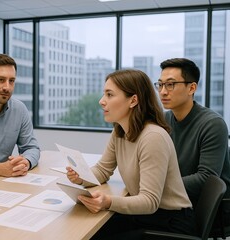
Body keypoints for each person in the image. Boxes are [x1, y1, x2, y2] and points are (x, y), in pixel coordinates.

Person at [66, 69, 196, 239]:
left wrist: (108, 201)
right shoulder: (120, 131)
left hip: (170, 224)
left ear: (133, 100)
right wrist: (81, 177)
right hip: (146, 217)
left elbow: (149, 201)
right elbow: (103, 170)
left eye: (110, 95)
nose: (101, 101)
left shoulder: (153, 137)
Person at [156, 58, 230, 207]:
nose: (163, 92)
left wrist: (156, 187)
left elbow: (206, 178)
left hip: (205, 209)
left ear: (192, 88)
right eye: (160, 84)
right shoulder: (165, 119)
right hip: (174, 200)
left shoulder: (212, 124)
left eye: (170, 85)